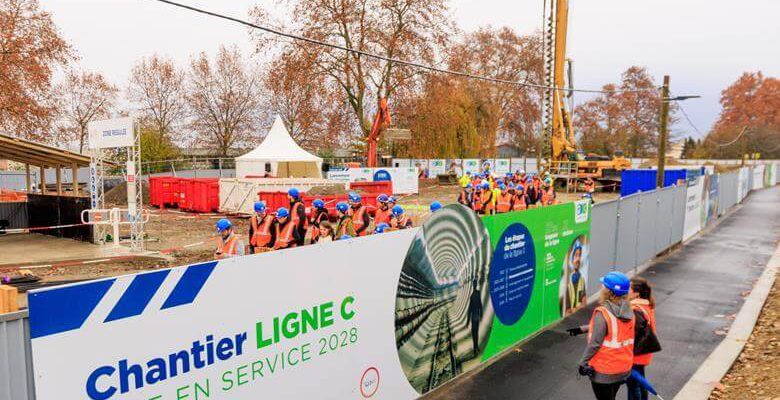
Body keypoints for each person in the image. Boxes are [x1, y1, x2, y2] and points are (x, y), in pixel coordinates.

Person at [567, 271, 635, 400]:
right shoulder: (629, 311)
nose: (601, 287)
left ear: (609, 291)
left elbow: (595, 343)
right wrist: (581, 329)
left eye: (604, 286)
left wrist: (582, 363)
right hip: (623, 369)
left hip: (605, 372)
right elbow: (614, 328)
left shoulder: (603, 313)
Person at [627, 277, 661, 400]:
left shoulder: (635, 309)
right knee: (640, 381)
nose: (626, 291)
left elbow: (634, 333)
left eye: (629, 289)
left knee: (632, 385)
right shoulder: (646, 304)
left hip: (636, 353)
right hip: (643, 352)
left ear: (636, 293)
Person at [565, 244, 587, 313]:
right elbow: (566, 311)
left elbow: (584, 301)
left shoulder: (582, 279)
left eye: (580, 255)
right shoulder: (566, 281)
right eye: (576, 255)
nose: (578, 259)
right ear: (572, 259)